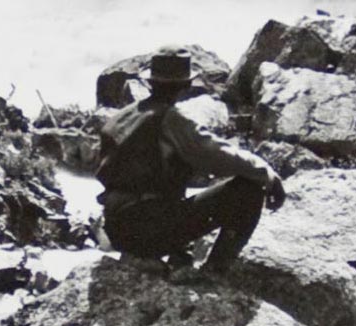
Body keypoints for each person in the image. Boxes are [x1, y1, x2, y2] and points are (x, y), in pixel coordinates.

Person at [97, 48, 286, 273]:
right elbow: (216, 153)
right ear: (185, 85)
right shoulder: (171, 119)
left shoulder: (120, 118)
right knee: (248, 191)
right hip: (149, 229)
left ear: (150, 82)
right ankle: (212, 274)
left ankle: (176, 256)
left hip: (117, 229)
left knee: (166, 195)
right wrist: (265, 172)